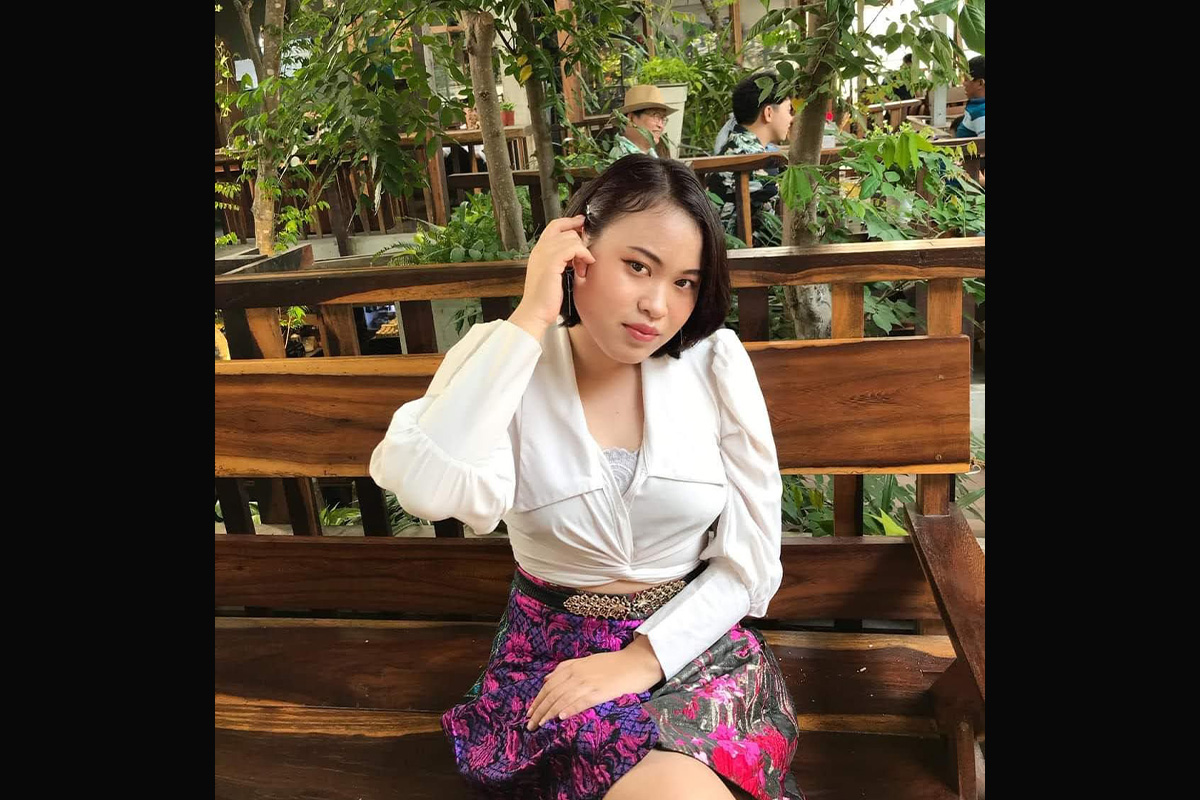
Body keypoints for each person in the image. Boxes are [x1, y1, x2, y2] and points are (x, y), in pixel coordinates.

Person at [370, 154, 804, 800]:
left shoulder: (713, 364)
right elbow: (431, 490)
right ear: (576, 249)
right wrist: (530, 317)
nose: (658, 305)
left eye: (685, 282)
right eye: (637, 266)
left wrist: (641, 659)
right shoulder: (506, 359)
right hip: (554, 656)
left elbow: (751, 563)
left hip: (694, 648)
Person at [707, 71, 795, 247]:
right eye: (789, 110)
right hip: (739, 257)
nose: (792, 118)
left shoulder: (737, 146)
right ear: (768, 113)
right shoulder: (754, 160)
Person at [609, 84, 676, 160]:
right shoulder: (623, 159)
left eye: (663, 119)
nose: (661, 126)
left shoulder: (647, 152)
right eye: (656, 116)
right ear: (631, 118)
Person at [955, 55, 985, 138]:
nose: (963, 84)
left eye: (966, 79)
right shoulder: (977, 107)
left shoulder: (980, 112)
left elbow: (983, 146)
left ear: (980, 83)